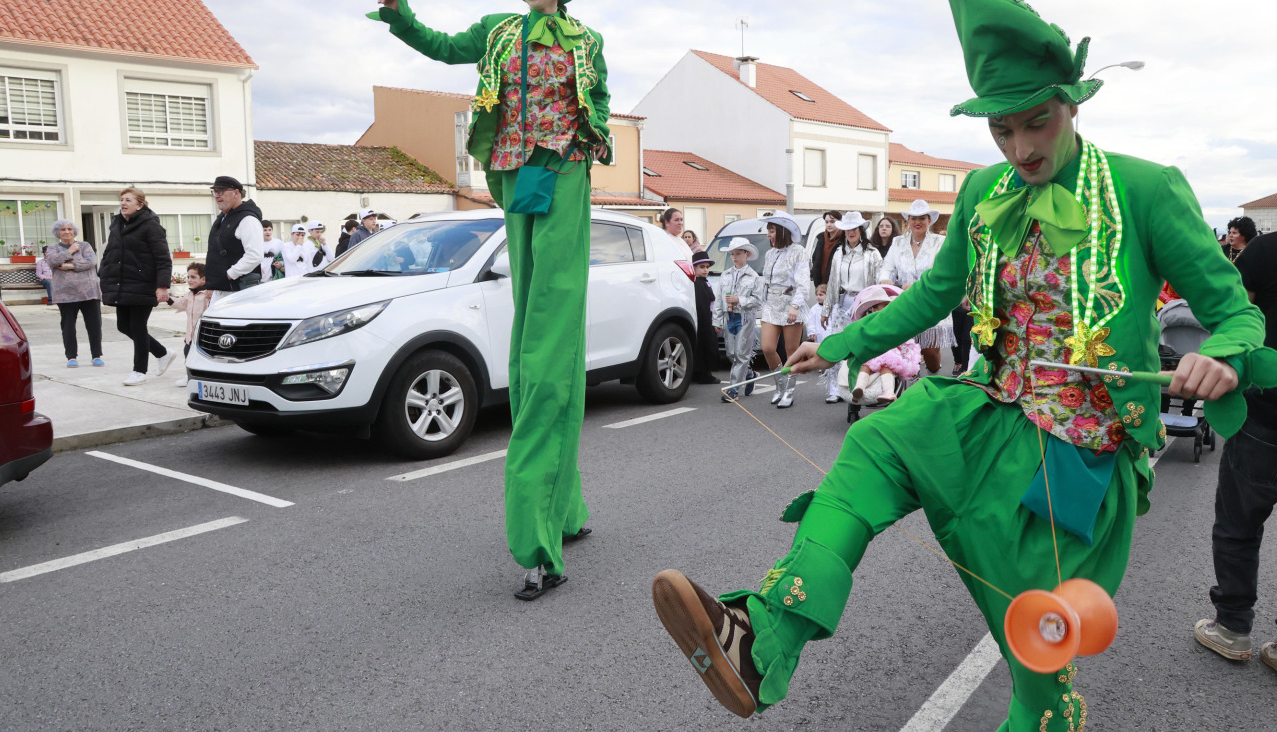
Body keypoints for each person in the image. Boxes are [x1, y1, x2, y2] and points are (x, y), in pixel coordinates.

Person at [650, 1, 1275, 729]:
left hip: (1069, 466)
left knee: (1037, 674)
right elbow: (936, 293)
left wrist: (1224, 359)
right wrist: (844, 343)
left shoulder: (1145, 189)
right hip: (985, 415)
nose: (1019, 148)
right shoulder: (983, 193)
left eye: (1035, 121)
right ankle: (763, 636)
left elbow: (1237, 314)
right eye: (1000, 129)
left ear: (1071, 104)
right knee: (876, 443)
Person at [371, 0, 610, 600]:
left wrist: (591, 128)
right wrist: (400, 16)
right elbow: (444, 46)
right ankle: (567, 508)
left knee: (549, 347)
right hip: (513, 173)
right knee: (533, 337)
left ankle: (539, 536)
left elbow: (600, 99)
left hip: (564, 171)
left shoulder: (586, 39)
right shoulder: (497, 30)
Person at [1194, 230, 1277, 670]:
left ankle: (1233, 628)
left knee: (1238, 525)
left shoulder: (1266, 250)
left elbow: (1234, 316)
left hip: (1265, 411)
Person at [98, 187, 174, 386]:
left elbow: (163, 258)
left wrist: (163, 285)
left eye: (128, 200)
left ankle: (139, 371)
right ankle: (162, 353)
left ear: (140, 204)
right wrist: (103, 275)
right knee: (123, 326)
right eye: (122, 199)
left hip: (143, 283)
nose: (123, 203)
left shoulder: (150, 226)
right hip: (122, 284)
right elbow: (110, 254)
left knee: (138, 326)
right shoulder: (117, 225)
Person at [879, 199, 955, 373]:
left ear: (929, 221)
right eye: (914, 218)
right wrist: (885, 279)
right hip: (904, 303)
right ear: (908, 221)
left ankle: (932, 378)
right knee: (905, 347)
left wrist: (916, 285)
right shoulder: (898, 242)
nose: (918, 222)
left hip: (931, 302)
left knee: (930, 349)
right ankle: (907, 382)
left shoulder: (940, 242)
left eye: (922, 218)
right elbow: (886, 268)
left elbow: (942, 273)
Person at [820, 212, 880, 402]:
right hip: (843, 302)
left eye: (854, 229)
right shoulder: (839, 253)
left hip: (864, 304)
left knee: (860, 348)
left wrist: (876, 307)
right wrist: (826, 310)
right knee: (838, 345)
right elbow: (832, 283)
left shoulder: (872, 254)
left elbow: (878, 282)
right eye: (847, 229)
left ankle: (859, 386)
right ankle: (835, 389)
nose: (851, 233)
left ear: (861, 230)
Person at [758, 210, 810, 409]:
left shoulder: (799, 251)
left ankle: (790, 389)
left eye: (771, 231)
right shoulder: (770, 253)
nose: (768, 235)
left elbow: (803, 283)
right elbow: (766, 281)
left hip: (790, 303)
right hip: (771, 304)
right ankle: (779, 384)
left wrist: (795, 306)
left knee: (791, 350)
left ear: (781, 231)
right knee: (768, 348)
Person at [844, 284, 920, 404]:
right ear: (874, 309)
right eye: (884, 306)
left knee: (887, 366)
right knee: (865, 365)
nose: (887, 308)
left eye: (888, 305)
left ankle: (889, 393)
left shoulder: (893, 319)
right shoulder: (869, 321)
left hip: (890, 350)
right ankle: (858, 388)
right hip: (873, 350)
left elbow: (901, 336)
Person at [45, 219, 104, 368]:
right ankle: (71, 357)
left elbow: (91, 262)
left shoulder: (84, 246)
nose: (66, 232)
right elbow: (52, 261)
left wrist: (68, 265)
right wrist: (69, 251)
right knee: (68, 326)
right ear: (58, 233)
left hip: (89, 292)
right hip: (66, 294)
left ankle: (96, 355)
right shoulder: (53, 248)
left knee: (94, 325)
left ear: (74, 231)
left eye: (69, 229)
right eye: (63, 229)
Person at [714, 237, 761, 402]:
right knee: (731, 353)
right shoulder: (725, 275)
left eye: (738, 253)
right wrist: (717, 320)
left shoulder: (753, 276)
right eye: (733, 254)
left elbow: (758, 300)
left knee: (741, 354)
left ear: (746, 254)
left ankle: (733, 390)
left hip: (745, 318)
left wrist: (739, 299)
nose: (735, 257)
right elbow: (719, 299)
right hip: (729, 317)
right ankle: (749, 374)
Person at [205, 176, 264, 303]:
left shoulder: (248, 219)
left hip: (239, 290)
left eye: (221, 191)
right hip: (222, 289)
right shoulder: (223, 218)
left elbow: (255, 255)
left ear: (236, 193)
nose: (217, 196)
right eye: (215, 192)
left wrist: (230, 274)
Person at [167, 262, 211, 388]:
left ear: (203, 279)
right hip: (190, 335)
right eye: (188, 277)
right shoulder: (188, 295)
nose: (189, 280)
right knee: (187, 353)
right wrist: (168, 299)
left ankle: (205, 376)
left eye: (193, 277)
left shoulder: (207, 295)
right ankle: (189, 376)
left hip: (203, 335)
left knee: (204, 356)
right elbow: (180, 304)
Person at [804, 285, 842, 403]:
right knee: (829, 366)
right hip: (821, 339)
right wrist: (811, 332)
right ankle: (833, 391)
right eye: (817, 295)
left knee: (838, 365)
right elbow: (810, 322)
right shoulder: (814, 309)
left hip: (834, 338)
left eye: (821, 295)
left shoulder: (835, 307)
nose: (818, 297)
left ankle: (841, 390)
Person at [689, 249, 720, 385]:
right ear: (694, 268)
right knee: (704, 344)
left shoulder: (704, 282)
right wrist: (708, 322)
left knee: (705, 345)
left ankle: (700, 372)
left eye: (707, 267)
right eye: (702, 267)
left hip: (708, 318)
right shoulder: (698, 284)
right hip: (704, 320)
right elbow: (702, 306)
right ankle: (703, 373)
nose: (705, 270)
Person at [809, 211, 844, 289]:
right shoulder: (821, 238)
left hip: (838, 286)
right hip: (820, 285)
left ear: (840, 222)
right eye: (826, 222)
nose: (829, 224)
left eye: (832, 222)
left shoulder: (844, 240)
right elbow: (815, 259)